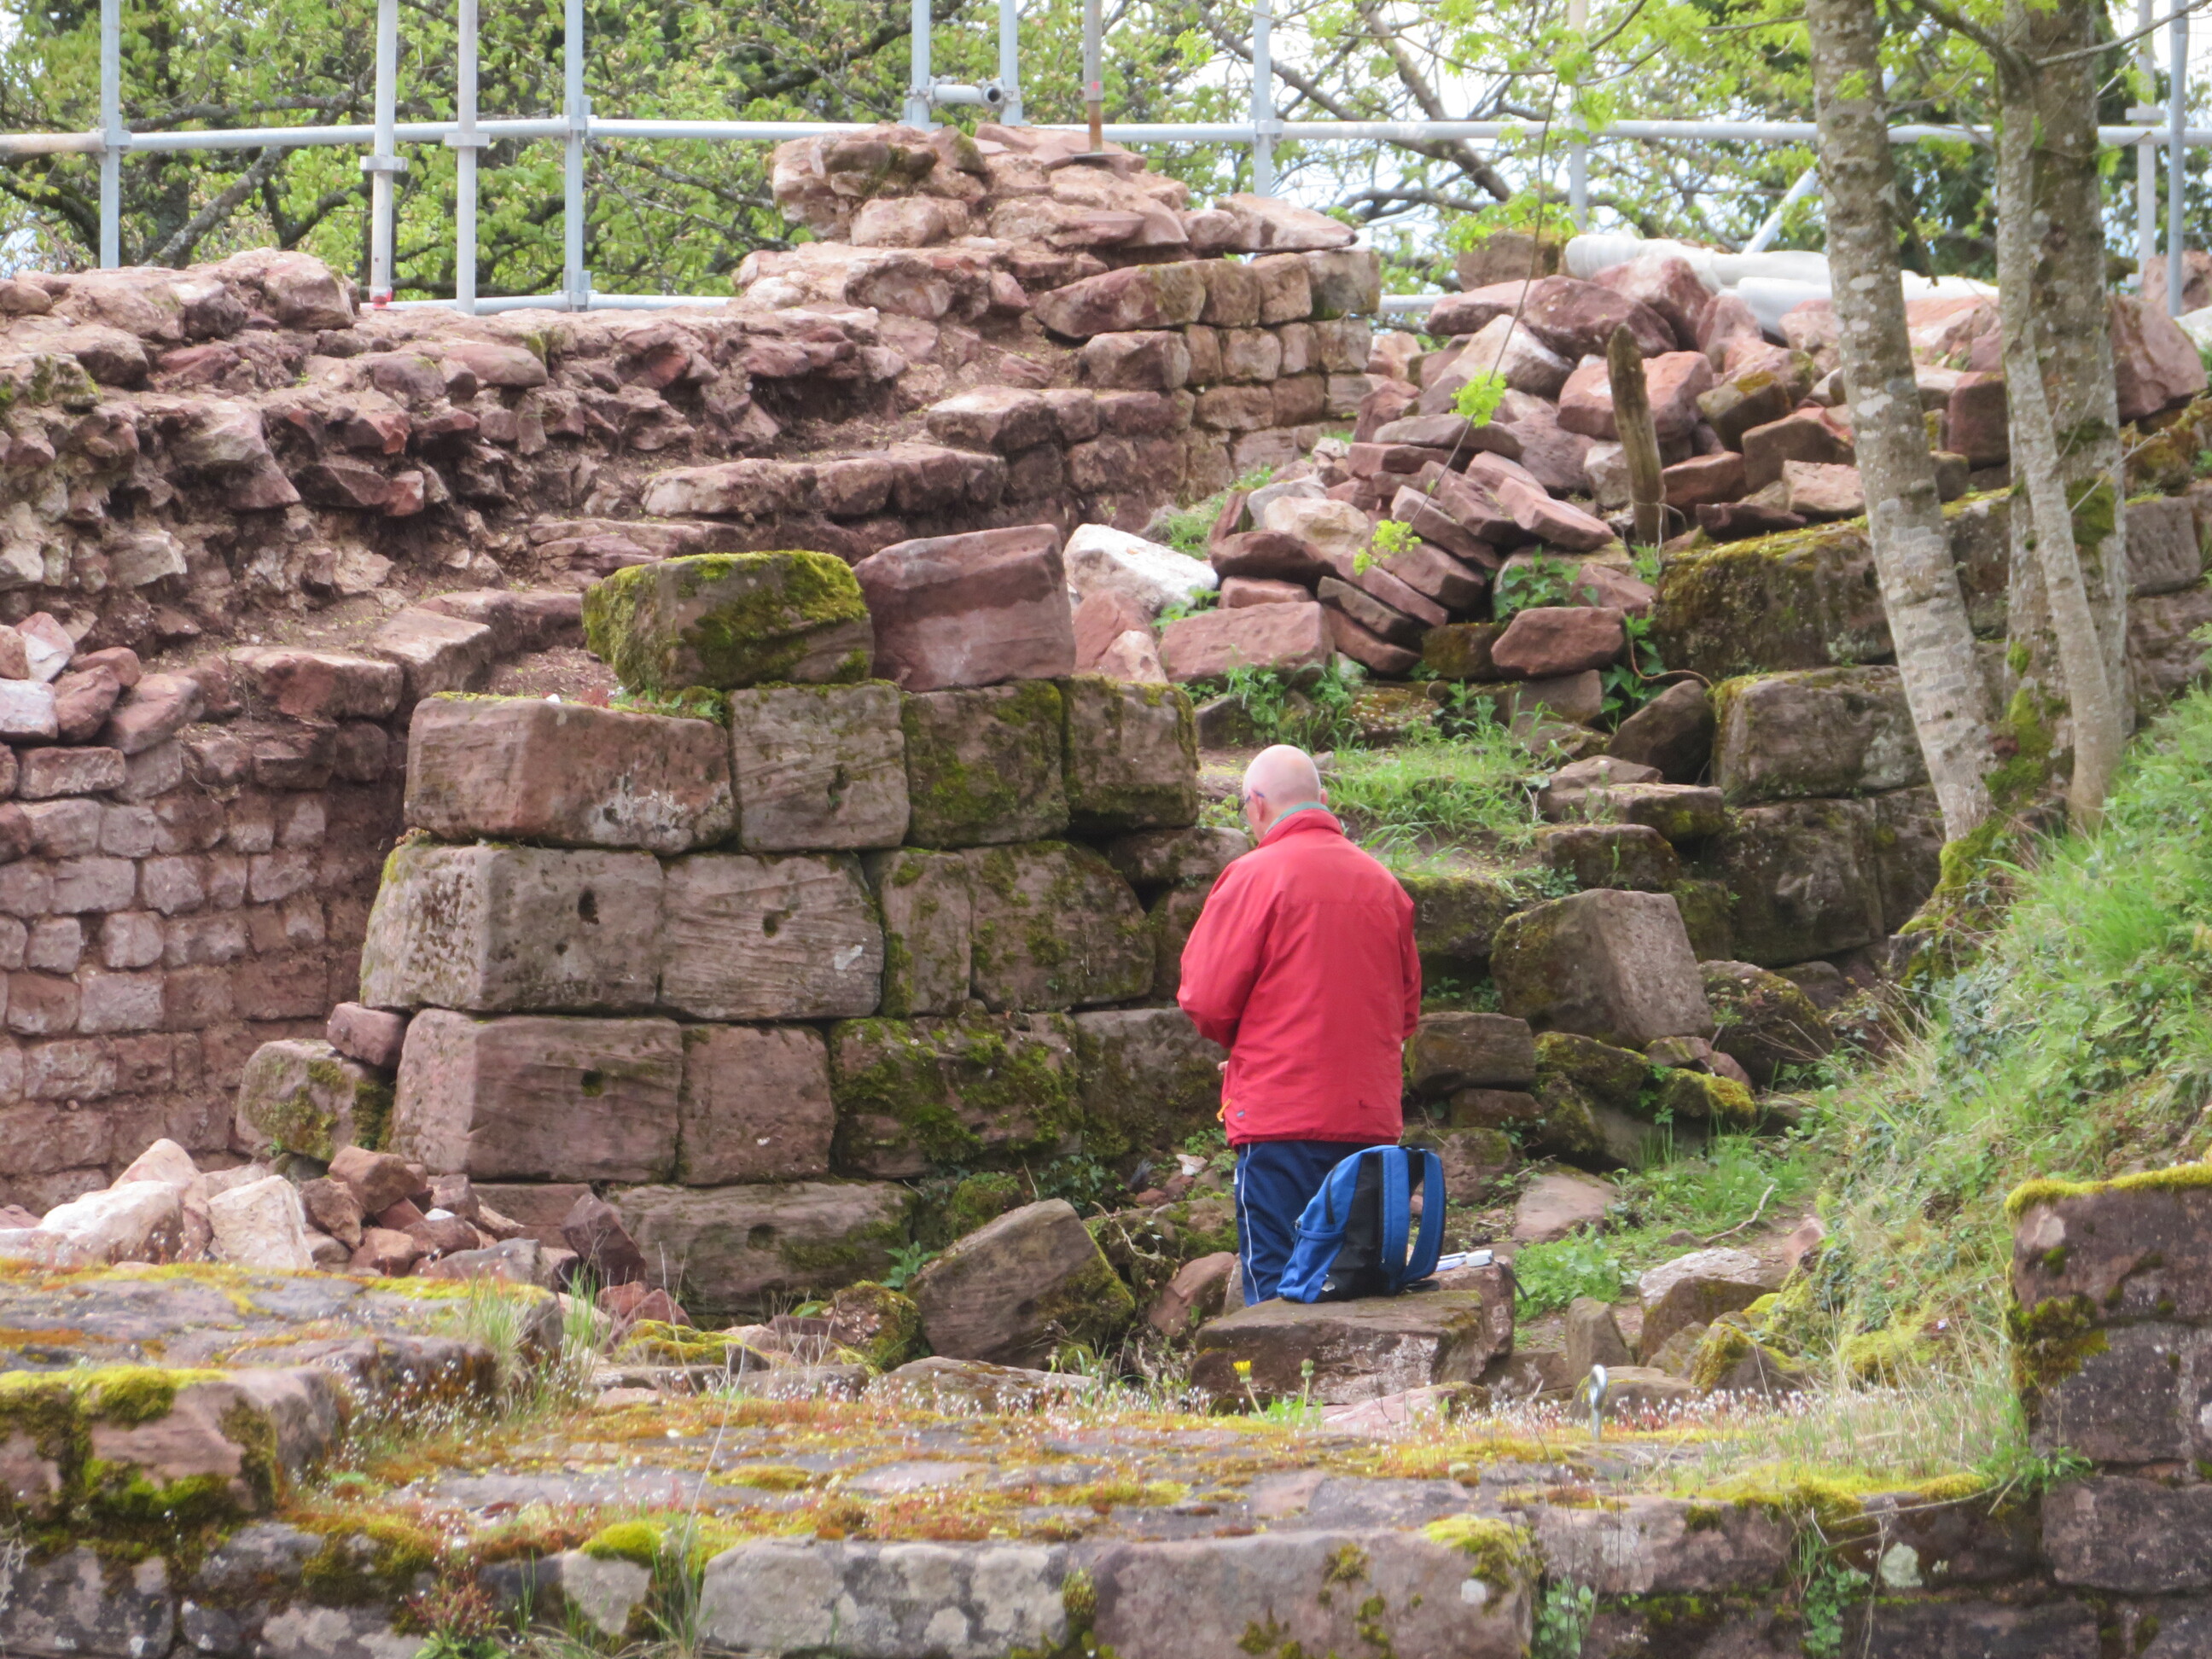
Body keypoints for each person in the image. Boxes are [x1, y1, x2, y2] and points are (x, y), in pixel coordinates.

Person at [1177, 742, 1421, 1303]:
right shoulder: (1383, 885)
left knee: (1279, 1295)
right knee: (1354, 1291)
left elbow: (1206, 999)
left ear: (1257, 804)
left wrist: (1253, 1045)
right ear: (1323, 799)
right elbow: (1404, 1012)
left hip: (1280, 1122)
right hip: (1368, 1123)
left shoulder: (1253, 876)